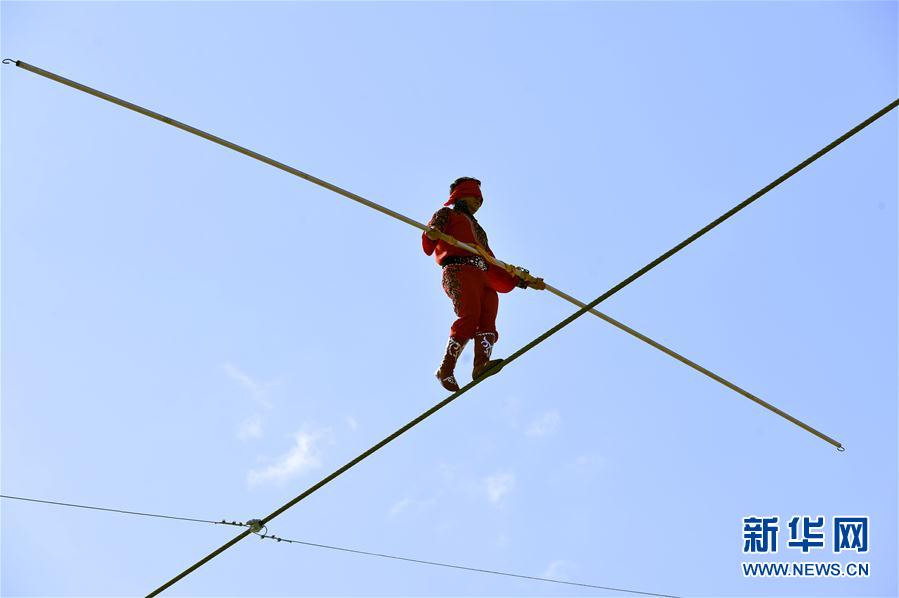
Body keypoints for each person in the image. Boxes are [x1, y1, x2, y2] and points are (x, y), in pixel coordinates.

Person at [422, 177, 544, 391]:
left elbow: (491, 261)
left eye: (481, 200)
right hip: (458, 268)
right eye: (474, 197)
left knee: (487, 316)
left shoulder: (479, 232)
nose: (479, 203)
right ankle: (446, 369)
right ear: (460, 195)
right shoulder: (447, 215)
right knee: (469, 316)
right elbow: (430, 237)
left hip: (482, 273)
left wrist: (522, 280)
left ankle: (481, 365)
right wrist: (433, 233)